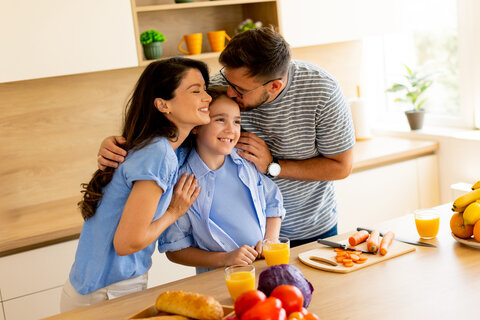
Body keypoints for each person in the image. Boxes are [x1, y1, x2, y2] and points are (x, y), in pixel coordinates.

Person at [97, 27, 355, 247]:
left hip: (308, 229)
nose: (228, 93)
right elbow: (173, 123)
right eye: (227, 82)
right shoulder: (224, 85)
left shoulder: (322, 91)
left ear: (274, 86)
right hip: (233, 244)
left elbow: (341, 167)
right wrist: (124, 145)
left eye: (239, 90)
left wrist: (273, 166)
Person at [60, 57, 212, 312]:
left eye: (205, 89)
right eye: (196, 91)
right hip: (107, 293)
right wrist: (175, 211)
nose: (206, 97)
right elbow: (127, 243)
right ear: (163, 105)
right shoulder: (158, 153)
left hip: (97, 288)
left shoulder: (164, 148)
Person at [159, 87, 286, 274]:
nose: (231, 129)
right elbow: (175, 249)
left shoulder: (245, 161)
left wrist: (270, 241)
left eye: (236, 122)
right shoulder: (183, 183)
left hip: (261, 268)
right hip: (218, 281)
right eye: (220, 119)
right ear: (196, 126)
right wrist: (225, 259)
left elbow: (273, 200)